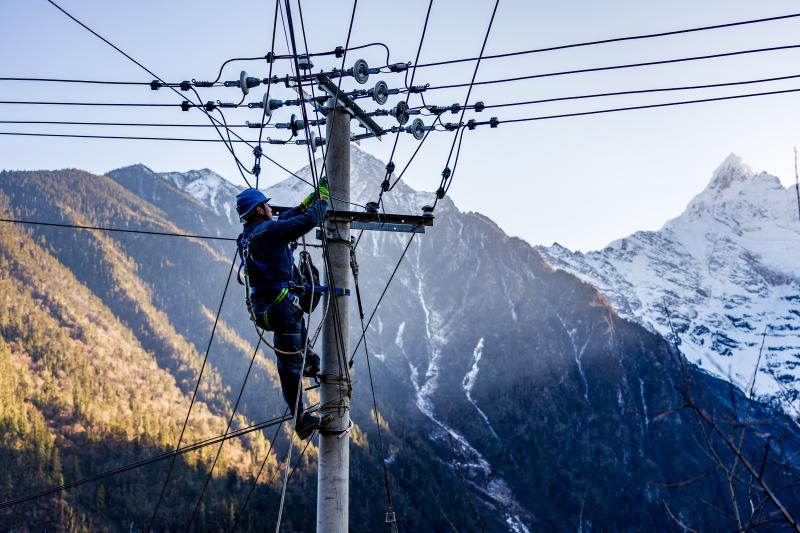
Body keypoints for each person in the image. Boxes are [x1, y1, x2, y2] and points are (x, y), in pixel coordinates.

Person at [235, 178, 330, 439]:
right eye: (266, 206)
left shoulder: (248, 236)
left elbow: (283, 222)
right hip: (281, 307)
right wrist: (322, 201)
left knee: (294, 346)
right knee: (288, 369)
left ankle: (309, 362)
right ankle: (301, 420)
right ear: (258, 210)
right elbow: (306, 222)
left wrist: (305, 203)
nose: (270, 208)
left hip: (270, 306)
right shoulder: (266, 233)